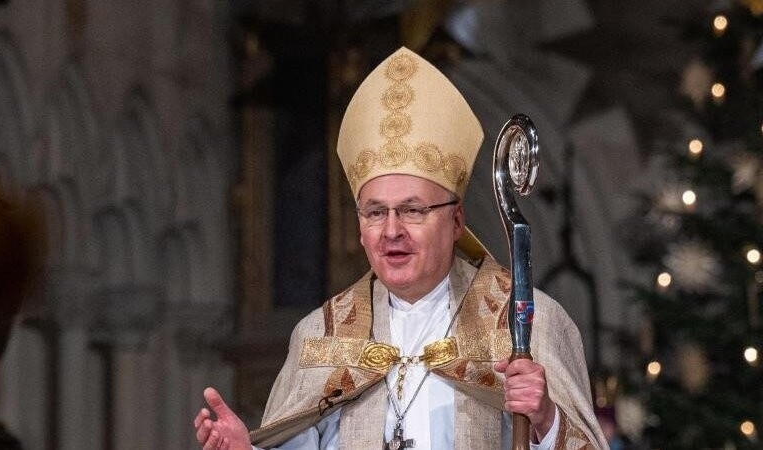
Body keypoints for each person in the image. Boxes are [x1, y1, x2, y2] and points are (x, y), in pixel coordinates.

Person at [194, 47, 608, 450]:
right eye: (375, 213)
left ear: (457, 220)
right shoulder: (319, 337)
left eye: (412, 210)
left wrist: (546, 421)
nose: (391, 230)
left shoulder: (530, 324)